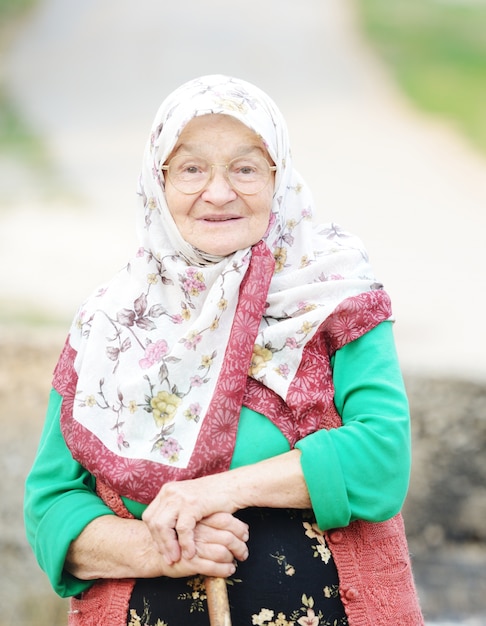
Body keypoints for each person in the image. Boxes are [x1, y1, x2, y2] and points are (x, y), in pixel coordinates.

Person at [24, 74, 424, 626]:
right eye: (191, 168)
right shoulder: (111, 324)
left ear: (279, 177)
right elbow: (50, 508)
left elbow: (381, 461)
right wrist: (160, 549)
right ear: (157, 182)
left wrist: (208, 493)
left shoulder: (333, 291)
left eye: (245, 167)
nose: (218, 192)